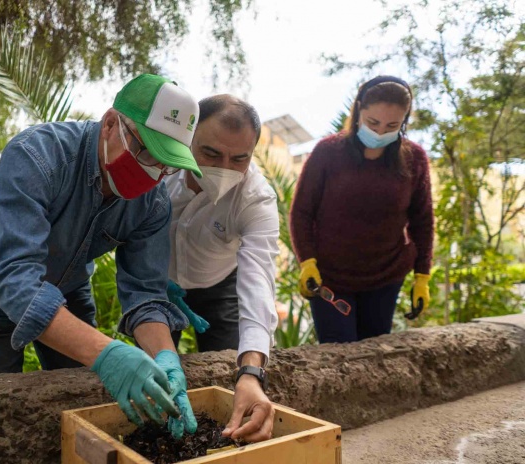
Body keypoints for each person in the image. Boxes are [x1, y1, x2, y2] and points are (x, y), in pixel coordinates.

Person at [0, 74, 202, 439]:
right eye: (147, 152)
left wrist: (166, 358)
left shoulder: (154, 203)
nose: (154, 173)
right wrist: (108, 354)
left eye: (169, 165)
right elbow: (16, 282)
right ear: (110, 124)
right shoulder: (36, 157)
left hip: (69, 286)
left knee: (80, 397)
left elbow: (146, 294)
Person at [164, 95, 279, 442]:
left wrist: (251, 372)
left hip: (218, 287)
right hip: (155, 287)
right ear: (188, 138)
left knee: (227, 373)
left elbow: (258, 280)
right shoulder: (158, 167)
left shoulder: (255, 198)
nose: (224, 168)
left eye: (239, 158)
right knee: (156, 379)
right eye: (211, 153)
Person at [289, 75, 434, 344]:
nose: (380, 132)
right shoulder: (327, 152)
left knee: (373, 354)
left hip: (386, 276)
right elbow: (301, 212)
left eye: (392, 125)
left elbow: (422, 221)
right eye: (373, 123)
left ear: (404, 122)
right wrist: (307, 262)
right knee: (337, 353)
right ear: (358, 113)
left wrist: (422, 276)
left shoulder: (414, 159)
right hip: (331, 277)